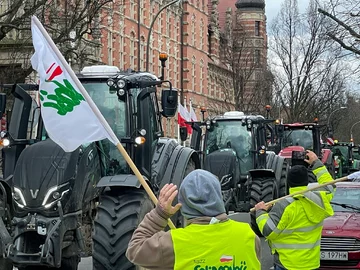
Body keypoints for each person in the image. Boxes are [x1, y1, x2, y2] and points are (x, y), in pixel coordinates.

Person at [126, 169, 262, 270]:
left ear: (183, 204)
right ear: (219, 197)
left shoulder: (173, 244)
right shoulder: (249, 236)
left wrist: (159, 214)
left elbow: (134, 250)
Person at [254, 150, 335, 270]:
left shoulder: (283, 205)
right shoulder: (320, 200)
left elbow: (268, 230)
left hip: (287, 264)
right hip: (311, 264)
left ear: (288, 182)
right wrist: (316, 163)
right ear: (307, 181)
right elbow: (330, 185)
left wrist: (260, 212)